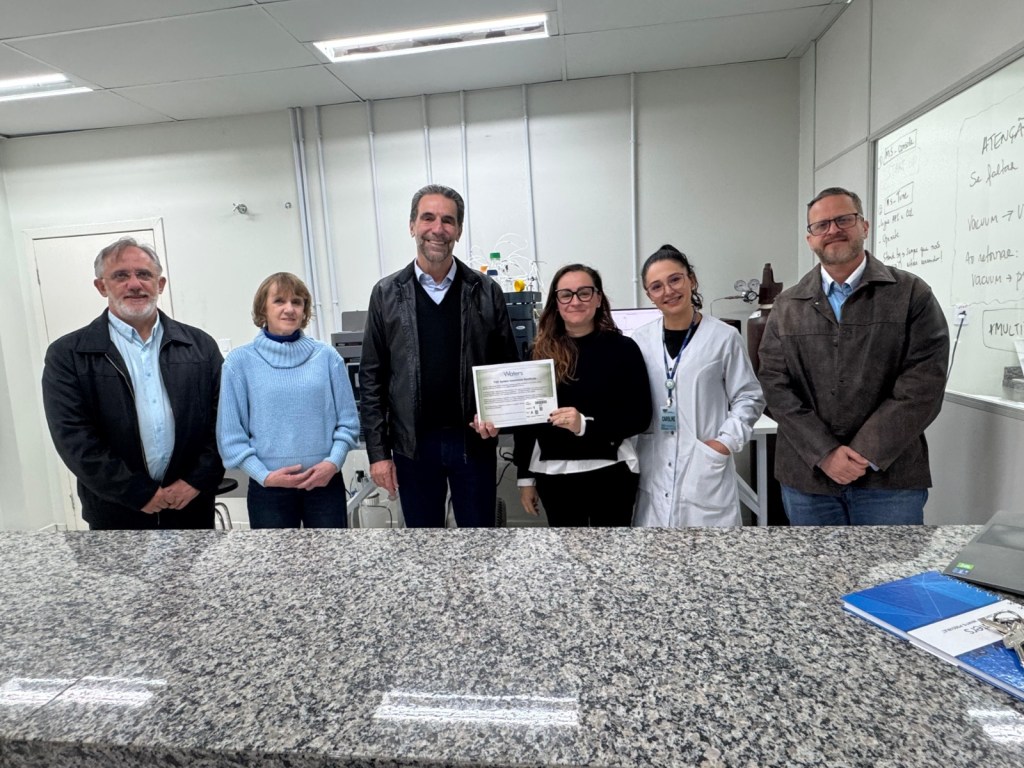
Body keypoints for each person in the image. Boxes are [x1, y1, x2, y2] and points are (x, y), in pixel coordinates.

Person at [758, 187, 950, 526]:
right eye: (821, 225)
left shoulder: (910, 294)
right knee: (817, 576)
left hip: (889, 480)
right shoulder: (787, 306)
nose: (833, 230)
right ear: (810, 239)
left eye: (843, 219)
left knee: (893, 578)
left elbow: (923, 384)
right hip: (809, 479)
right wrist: (825, 453)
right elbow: (775, 386)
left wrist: (864, 454)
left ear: (864, 226)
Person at [359, 184, 519, 528]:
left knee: (478, 544)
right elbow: (371, 379)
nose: (438, 228)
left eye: (448, 220)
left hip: (473, 443)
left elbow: (507, 367)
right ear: (412, 225)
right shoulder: (386, 294)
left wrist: (497, 416)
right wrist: (378, 454)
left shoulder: (485, 291)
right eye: (428, 217)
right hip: (412, 445)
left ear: (458, 230)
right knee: (422, 547)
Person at [42, 237, 224, 530]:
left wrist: (195, 481)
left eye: (144, 274)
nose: (134, 284)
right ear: (102, 286)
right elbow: (73, 437)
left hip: (190, 506)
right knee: (120, 578)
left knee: (191, 578)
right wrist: (137, 492)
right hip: (116, 512)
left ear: (160, 284)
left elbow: (222, 423)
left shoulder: (200, 347)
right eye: (121, 276)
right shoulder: (69, 355)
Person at [632, 245, 765, 527]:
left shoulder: (724, 337)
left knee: (711, 561)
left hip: (704, 466)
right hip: (655, 468)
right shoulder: (639, 341)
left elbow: (749, 397)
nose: (667, 291)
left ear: (691, 279)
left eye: (675, 279)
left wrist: (724, 443)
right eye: (656, 286)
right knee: (658, 560)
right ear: (649, 295)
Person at [510, 264, 652, 527]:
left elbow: (639, 416)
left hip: (611, 473)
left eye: (584, 293)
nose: (575, 301)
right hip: (555, 475)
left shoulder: (624, 350)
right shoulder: (538, 354)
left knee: (612, 558)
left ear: (598, 298)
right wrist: (525, 478)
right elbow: (528, 425)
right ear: (556, 302)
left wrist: (584, 425)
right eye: (566, 294)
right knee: (567, 562)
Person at [217, 272, 359, 528]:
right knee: (276, 566)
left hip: (324, 486)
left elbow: (348, 423)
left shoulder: (328, 358)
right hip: (269, 490)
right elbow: (230, 437)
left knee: (331, 563)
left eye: (297, 302)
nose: (289, 309)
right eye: (279, 301)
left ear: (304, 310)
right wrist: (265, 476)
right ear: (263, 309)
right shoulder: (239, 364)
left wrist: (332, 463)